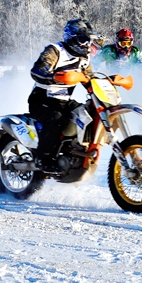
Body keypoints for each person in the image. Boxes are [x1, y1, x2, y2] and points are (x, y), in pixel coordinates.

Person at [28, 18, 96, 171]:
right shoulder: (55, 50)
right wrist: (54, 76)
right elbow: (37, 70)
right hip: (42, 98)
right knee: (56, 120)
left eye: (89, 41)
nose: (87, 45)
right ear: (71, 38)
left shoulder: (84, 59)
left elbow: (89, 78)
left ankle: (74, 153)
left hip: (63, 100)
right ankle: (43, 159)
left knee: (87, 113)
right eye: (83, 40)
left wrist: (109, 82)